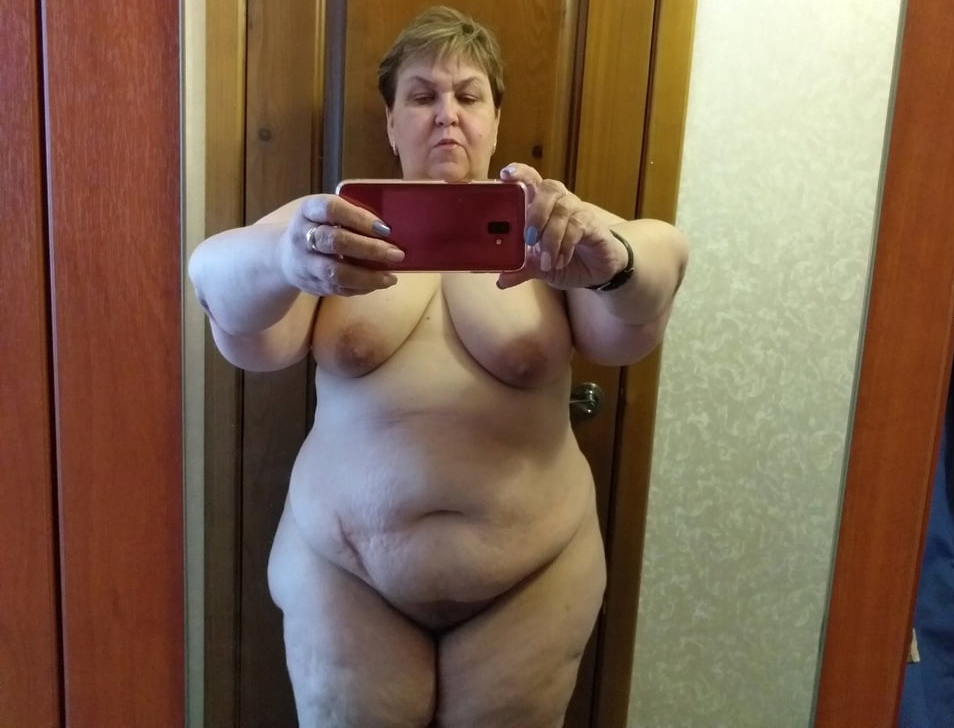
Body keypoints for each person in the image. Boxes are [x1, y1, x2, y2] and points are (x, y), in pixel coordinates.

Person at [189, 6, 688, 727]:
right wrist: (283, 258)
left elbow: (663, 261)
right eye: (422, 96)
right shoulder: (329, 228)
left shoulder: (554, 228)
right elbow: (213, 279)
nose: (447, 114)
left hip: (534, 580)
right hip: (344, 576)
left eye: (468, 96)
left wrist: (616, 262)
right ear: (392, 125)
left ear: (495, 120)